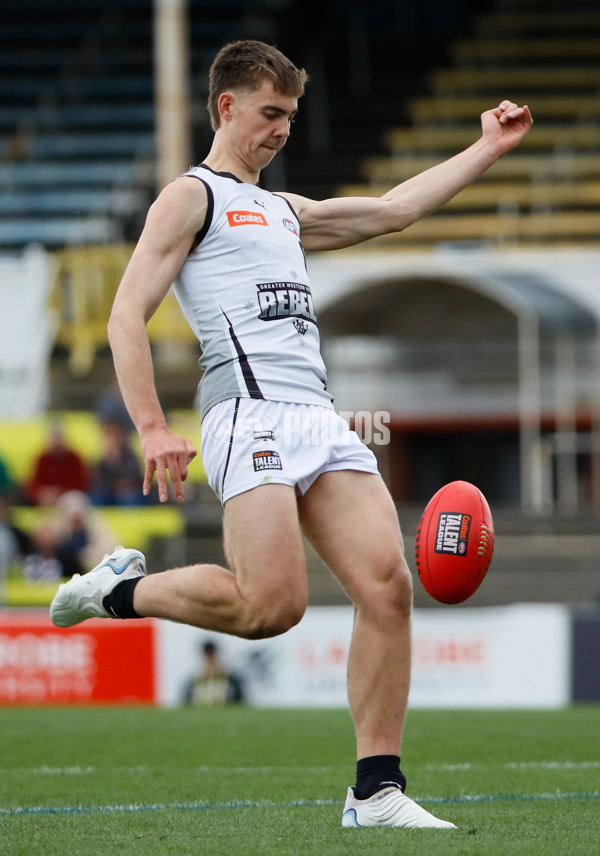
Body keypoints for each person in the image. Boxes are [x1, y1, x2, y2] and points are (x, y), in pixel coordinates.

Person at [50, 40, 532, 829]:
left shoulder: (283, 208)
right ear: (226, 107)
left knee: (386, 587)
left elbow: (391, 211)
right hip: (246, 412)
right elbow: (123, 314)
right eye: (270, 114)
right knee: (270, 608)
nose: (281, 131)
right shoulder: (189, 197)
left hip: (319, 415)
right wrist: (151, 426)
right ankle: (118, 591)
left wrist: (485, 147)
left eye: (290, 117)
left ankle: (376, 791)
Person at [25, 423, 89, 506]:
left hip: (68, 497)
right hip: (45, 499)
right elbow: (33, 482)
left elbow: (80, 483)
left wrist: (59, 492)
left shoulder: (75, 458)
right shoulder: (42, 459)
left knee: (75, 500)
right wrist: (44, 492)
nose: (57, 444)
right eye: (54, 441)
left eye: (59, 441)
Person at [182, 639, 245, 706]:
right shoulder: (194, 680)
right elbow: (186, 701)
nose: (210, 658)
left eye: (212, 654)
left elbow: (239, 700)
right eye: (207, 654)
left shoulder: (231, 679)